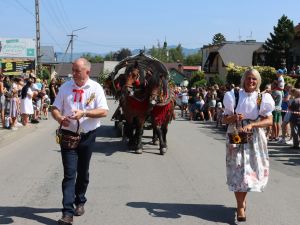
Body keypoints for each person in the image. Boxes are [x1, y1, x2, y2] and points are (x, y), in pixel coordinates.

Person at [51, 58, 109, 225]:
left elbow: (104, 111)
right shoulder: (65, 87)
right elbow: (54, 108)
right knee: (69, 175)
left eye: (77, 71)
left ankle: (80, 200)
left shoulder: (95, 88)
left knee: (83, 172)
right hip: (68, 136)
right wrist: (59, 118)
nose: (74, 74)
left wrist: (84, 114)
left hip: (87, 136)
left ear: (87, 72)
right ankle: (67, 213)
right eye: (73, 70)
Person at [223, 69, 275, 222]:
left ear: (258, 81)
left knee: (251, 171)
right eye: (248, 78)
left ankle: (241, 201)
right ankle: (240, 206)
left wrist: (253, 125)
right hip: (237, 133)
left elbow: (270, 121)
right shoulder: (233, 95)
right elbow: (225, 119)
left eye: (254, 79)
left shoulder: (263, 98)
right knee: (238, 169)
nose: (251, 81)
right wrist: (234, 117)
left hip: (255, 136)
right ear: (243, 80)